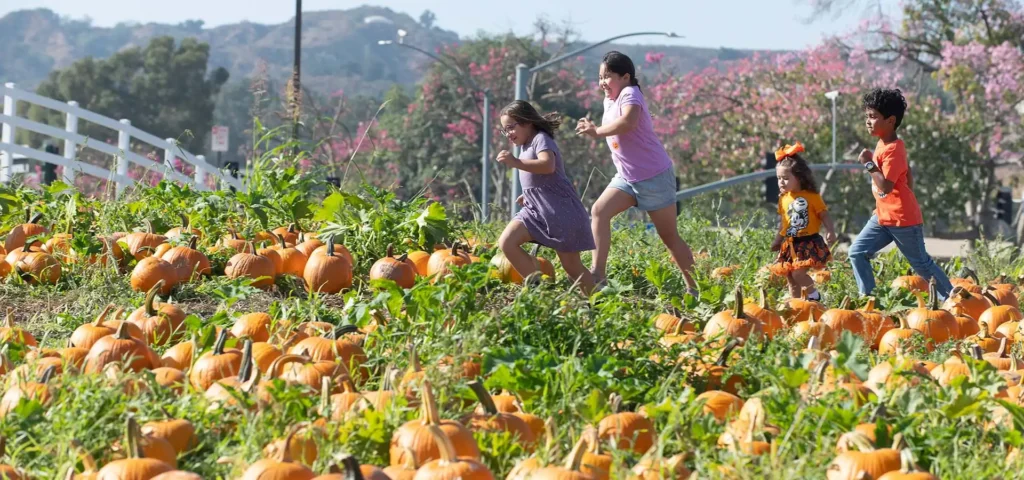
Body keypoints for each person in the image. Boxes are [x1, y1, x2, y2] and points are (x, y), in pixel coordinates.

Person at [575, 51, 699, 297]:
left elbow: (629, 123)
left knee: (669, 236)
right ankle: (598, 276)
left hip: (654, 177)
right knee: (599, 211)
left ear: (625, 77)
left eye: (607, 77)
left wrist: (597, 131)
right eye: (600, 77)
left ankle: (695, 288)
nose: (602, 82)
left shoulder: (630, 93)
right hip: (626, 177)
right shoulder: (610, 100)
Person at [849, 88, 954, 300]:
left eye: (873, 117)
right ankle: (869, 299)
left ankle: (954, 300)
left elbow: (886, 185)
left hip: (903, 221)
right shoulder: (882, 143)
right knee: (857, 252)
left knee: (922, 264)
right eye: (867, 116)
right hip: (883, 217)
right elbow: (907, 177)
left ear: (890, 120)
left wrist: (868, 163)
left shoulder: (894, 149)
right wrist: (883, 204)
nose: (868, 121)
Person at [495, 100, 596, 294]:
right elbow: (539, 180)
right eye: (504, 130)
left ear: (527, 122)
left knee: (572, 268)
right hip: (535, 211)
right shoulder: (524, 146)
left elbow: (547, 165)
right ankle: (540, 292)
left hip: (560, 212)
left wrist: (515, 162)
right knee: (507, 241)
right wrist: (527, 195)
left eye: (510, 127)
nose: (508, 134)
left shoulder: (540, 139)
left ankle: (600, 304)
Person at [768, 143, 837, 301]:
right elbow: (783, 223)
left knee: (798, 273)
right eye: (779, 178)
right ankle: (797, 305)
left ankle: (815, 296)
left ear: (799, 177)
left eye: (786, 178)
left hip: (808, 243)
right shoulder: (783, 199)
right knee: (791, 278)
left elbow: (824, 215)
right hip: (790, 243)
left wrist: (830, 231)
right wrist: (778, 241)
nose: (781, 182)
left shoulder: (812, 197)